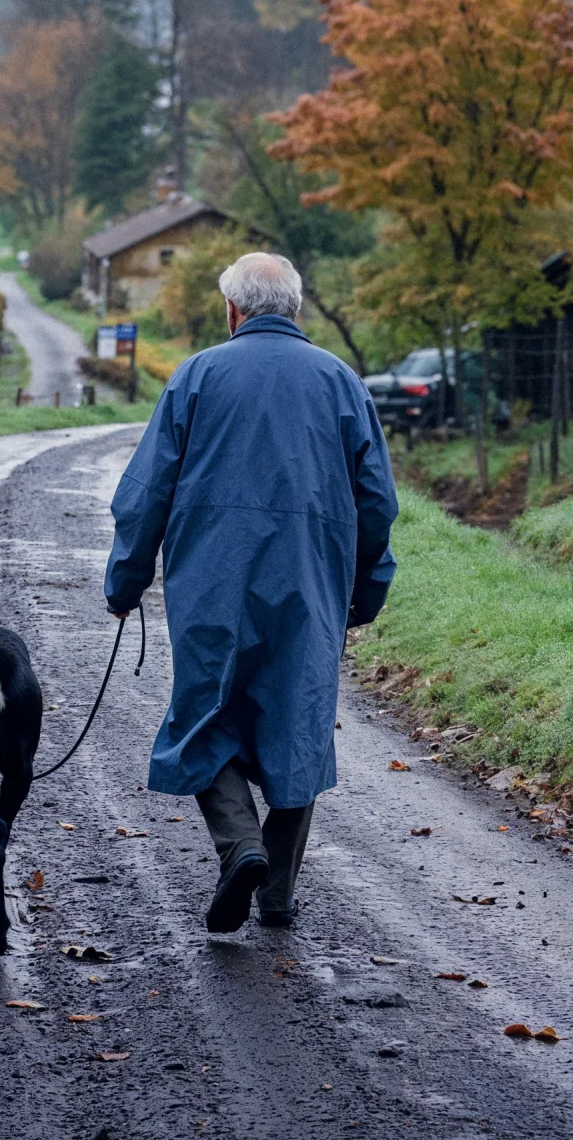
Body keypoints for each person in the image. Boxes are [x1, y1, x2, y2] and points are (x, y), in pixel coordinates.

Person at [102, 251, 399, 932]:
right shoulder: (341, 381)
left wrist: (126, 579)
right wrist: (368, 588)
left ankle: (241, 846)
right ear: (296, 309)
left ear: (232, 311)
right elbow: (377, 500)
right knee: (299, 719)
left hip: (212, 581)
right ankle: (277, 893)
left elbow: (148, 491)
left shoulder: (198, 375)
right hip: (312, 582)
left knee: (207, 714)